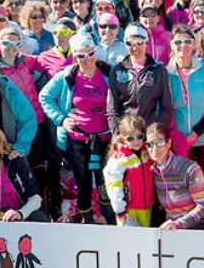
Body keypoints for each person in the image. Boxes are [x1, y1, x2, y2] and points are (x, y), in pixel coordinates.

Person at [39, 33, 115, 224]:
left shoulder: (109, 72)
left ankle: (110, 219)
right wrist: (61, 119)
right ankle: (87, 221)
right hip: (77, 139)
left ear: (96, 51)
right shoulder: (67, 76)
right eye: (81, 56)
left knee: (106, 181)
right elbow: (45, 97)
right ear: (74, 56)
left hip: (105, 138)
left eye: (90, 53)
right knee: (83, 184)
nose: (87, 59)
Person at [166, 26, 204, 180]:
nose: (182, 45)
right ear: (171, 45)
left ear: (194, 45)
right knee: (186, 188)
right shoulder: (165, 73)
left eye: (187, 41)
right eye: (177, 41)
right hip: (179, 142)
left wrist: (195, 133)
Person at [145, 122, 204, 230]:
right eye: (150, 144)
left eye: (159, 142)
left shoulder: (189, 169)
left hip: (198, 228)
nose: (154, 149)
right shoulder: (152, 171)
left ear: (168, 143)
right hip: (170, 229)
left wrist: (179, 224)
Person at [107, 25, 173, 131]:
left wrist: (158, 133)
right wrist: (117, 135)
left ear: (146, 43)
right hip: (126, 134)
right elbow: (112, 108)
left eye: (139, 42)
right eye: (129, 43)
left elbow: (166, 107)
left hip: (150, 132)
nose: (134, 47)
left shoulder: (158, 70)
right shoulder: (117, 70)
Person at [103, 115, 154, 227]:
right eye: (130, 138)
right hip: (128, 210)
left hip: (146, 208)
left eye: (139, 136)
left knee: (145, 240)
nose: (136, 141)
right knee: (130, 241)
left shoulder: (146, 153)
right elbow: (113, 186)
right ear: (123, 138)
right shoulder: (118, 159)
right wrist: (119, 211)